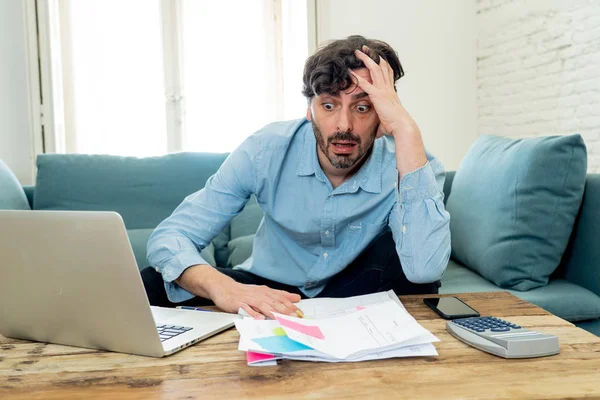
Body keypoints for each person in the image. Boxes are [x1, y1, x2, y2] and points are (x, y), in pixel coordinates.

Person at [141, 35, 451, 320]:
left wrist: (406, 130)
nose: (344, 125)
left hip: (357, 289)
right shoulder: (265, 149)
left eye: (363, 107)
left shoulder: (413, 162)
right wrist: (223, 287)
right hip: (272, 286)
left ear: (384, 112)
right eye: (328, 105)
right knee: (154, 281)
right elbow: (169, 238)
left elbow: (424, 270)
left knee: (400, 255)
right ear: (309, 109)